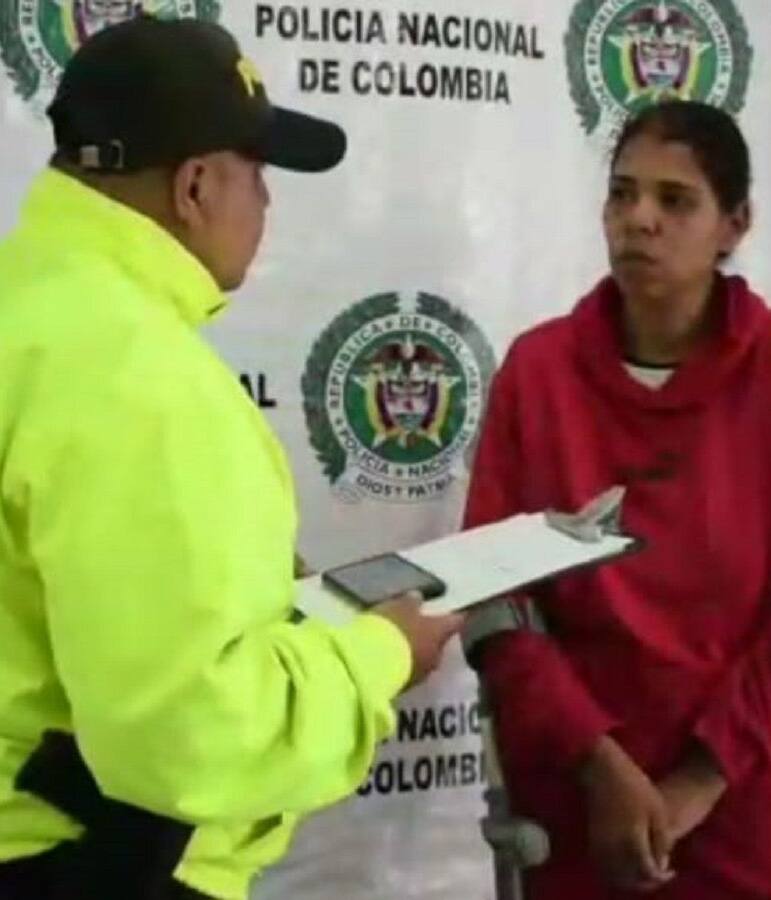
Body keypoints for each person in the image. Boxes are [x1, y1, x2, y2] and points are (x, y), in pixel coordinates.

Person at [0, 16, 461, 900]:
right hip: (93, 869)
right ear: (197, 186)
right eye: (257, 173)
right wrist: (379, 653)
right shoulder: (138, 377)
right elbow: (193, 734)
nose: (267, 203)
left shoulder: (32, 308)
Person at [463, 100, 771, 900]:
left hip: (742, 796)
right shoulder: (538, 370)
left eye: (674, 201)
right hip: (581, 801)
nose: (639, 219)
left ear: (734, 224)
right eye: (622, 194)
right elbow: (493, 601)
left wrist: (697, 784)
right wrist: (600, 764)